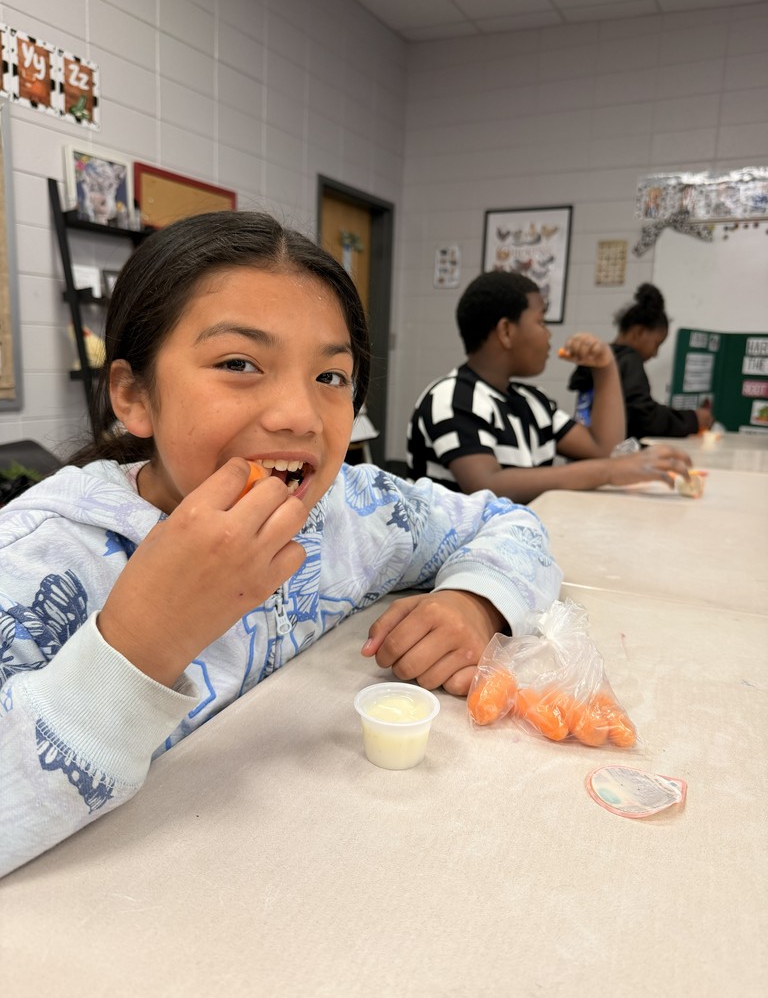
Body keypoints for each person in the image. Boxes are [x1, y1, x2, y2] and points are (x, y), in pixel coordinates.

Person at [0, 212, 562, 877]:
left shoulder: (360, 511)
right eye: (239, 363)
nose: (299, 415)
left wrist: (475, 602)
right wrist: (138, 642)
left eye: (331, 377)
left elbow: (510, 522)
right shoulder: (40, 561)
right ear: (133, 395)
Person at [408, 271, 692, 505]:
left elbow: (604, 448)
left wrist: (605, 368)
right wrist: (610, 471)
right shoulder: (451, 397)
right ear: (506, 331)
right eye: (541, 321)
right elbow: (487, 486)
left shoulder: (533, 401)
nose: (549, 334)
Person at [567, 283, 713, 438]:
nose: (655, 353)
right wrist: (693, 419)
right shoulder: (629, 360)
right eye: (656, 344)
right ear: (639, 332)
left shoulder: (597, 360)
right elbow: (644, 418)